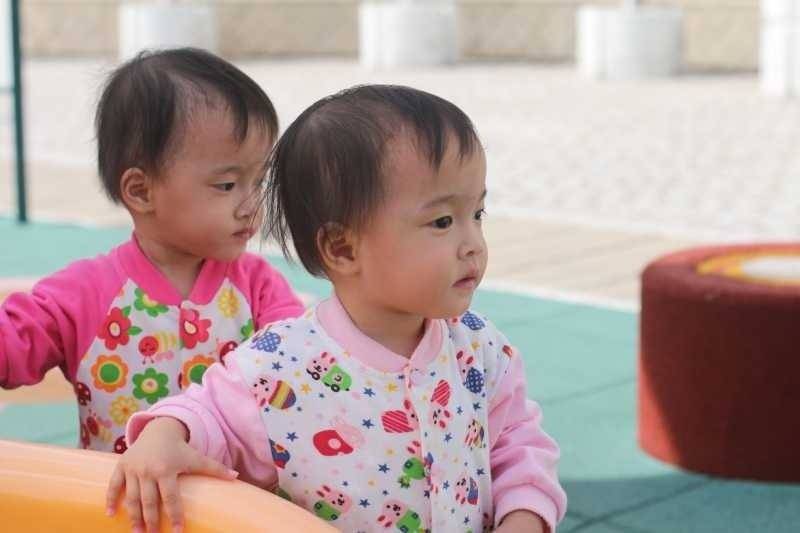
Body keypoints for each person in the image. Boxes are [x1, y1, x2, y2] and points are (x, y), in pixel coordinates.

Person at [110, 85, 567, 533]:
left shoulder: (479, 349)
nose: (473, 244)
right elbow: (206, 413)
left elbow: (516, 443)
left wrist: (524, 516)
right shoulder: (279, 366)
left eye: (477, 214)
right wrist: (162, 436)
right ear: (343, 248)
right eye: (443, 221)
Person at [0, 48, 304, 454]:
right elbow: (11, 346)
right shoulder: (84, 293)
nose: (252, 204)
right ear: (141, 191)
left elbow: (301, 364)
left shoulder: (259, 289)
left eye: (259, 181)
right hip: (116, 494)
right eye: (228, 185)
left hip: (232, 497)